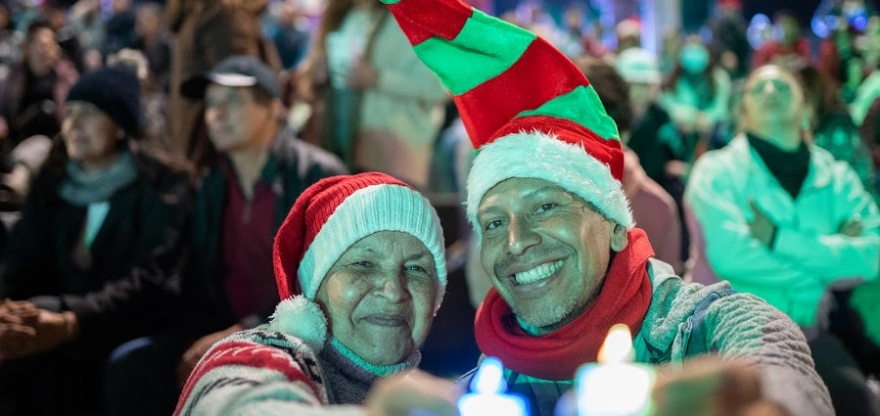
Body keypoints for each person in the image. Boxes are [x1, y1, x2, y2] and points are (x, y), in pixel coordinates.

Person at [378, 0, 833, 415]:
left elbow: (775, 369)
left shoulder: (706, 330)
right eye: (494, 222)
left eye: (545, 206)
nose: (515, 242)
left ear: (615, 225)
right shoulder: (482, 394)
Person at [102, 55, 347, 416]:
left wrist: (245, 331)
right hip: (223, 329)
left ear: (273, 109)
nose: (216, 114)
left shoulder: (317, 176)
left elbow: (330, 291)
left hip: (299, 339)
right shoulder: (210, 183)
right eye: (211, 103)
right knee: (130, 368)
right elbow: (197, 277)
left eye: (232, 101)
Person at [686, 64, 880, 416]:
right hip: (725, 331)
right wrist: (824, 268)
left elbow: (872, 255)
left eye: (783, 87)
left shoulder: (837, 177)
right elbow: (732, 257)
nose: (771, 91)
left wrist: (778, 238)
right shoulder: (715, 171)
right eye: (759, 88)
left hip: (810, 332)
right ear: (742, 111)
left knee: (857, 402)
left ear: (806, 107)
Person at [175, 172, 455, 415]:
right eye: (364, 264)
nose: (394, 291)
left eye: (417, 269)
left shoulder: (442, 396)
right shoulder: (251, 354)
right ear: (311, 285)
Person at [0, 66, 190, 416]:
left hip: (123, 321)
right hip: (55, 320)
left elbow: (151, 280)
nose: (74, 124)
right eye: (69, 113)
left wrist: (73, 319)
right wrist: (8, 308)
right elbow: (21, 256)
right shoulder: (54, 182)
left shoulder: (160, 188)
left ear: (120, 126)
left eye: (88, 113)